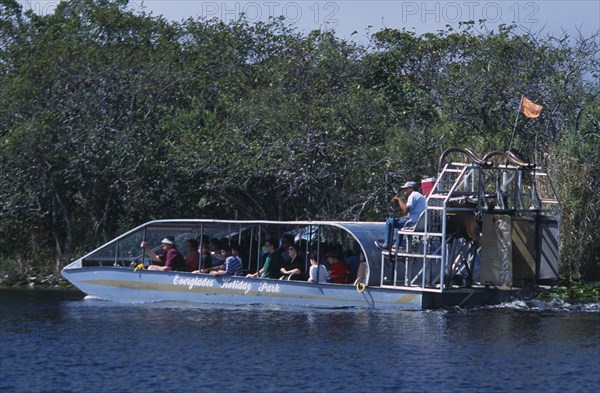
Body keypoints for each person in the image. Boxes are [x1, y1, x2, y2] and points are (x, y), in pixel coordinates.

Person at [375, 181, 427, 250]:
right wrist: (400, 218)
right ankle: (397, 245)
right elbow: (412, 214)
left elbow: (406, 209)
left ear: (411, 189)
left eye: (406, 189)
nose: (404, 190)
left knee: (389, 221)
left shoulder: (413, 195)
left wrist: (399, 199)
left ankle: (387, 244)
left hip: (413, 222)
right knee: (399, 222)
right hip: (418, 222)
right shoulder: (420, 196)